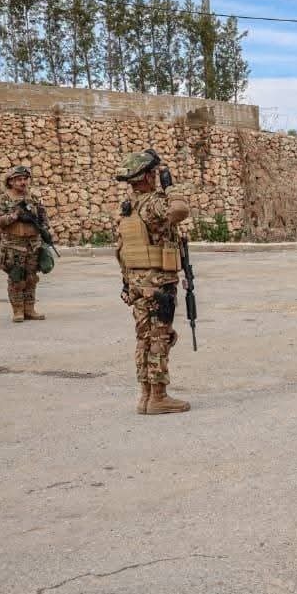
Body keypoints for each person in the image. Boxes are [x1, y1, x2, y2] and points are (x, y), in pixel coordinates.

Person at [115, 149, 191, 415]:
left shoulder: (127, 207)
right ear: (147, 176)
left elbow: (121, 249)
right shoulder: (153, 204)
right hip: (157, 284)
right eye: (155, 174)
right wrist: (171, 188)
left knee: (144, 338)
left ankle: (145, 396)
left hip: (137, 282)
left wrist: (127, 283)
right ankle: (158, 397)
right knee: (159, 337)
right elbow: (180, 210)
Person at [0, 165, 48, 323]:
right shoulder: (3, 199)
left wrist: (44, 230)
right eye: (19, 179)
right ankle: (18, 310)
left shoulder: (33, 198)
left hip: (32, 245)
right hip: (13, 246)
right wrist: (14, 216)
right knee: (16, 279)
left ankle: (30, 309)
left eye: (25, 179)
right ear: (10, 182)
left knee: (31, 278)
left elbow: (43, 217)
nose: (23, 182)